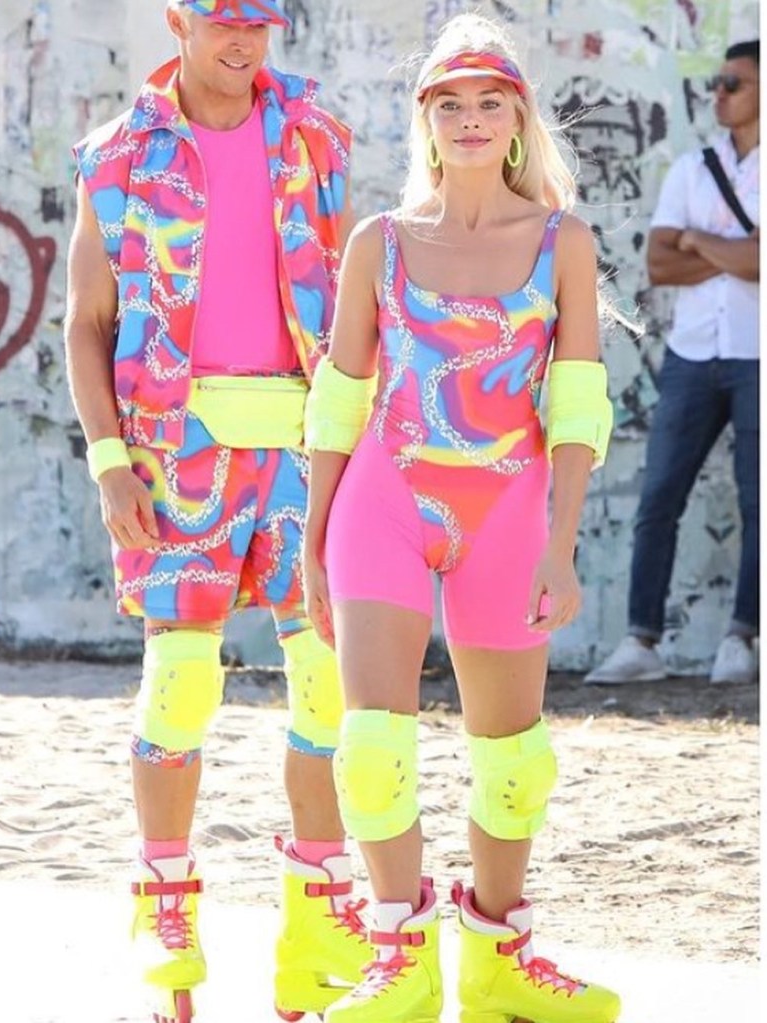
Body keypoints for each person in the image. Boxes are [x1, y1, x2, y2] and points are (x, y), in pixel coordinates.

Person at [302, 12, 620, 1023]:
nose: (470, 119)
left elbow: (576, 402)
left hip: (509, 509)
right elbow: (340, 399)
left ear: (518, 119)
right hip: (383, 504)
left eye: (489, 102)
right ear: (425, 120)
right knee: (371, 746)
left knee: (514, 758)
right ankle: (400, 958)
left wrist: (561, 546)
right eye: (450, 104)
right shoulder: (379, 242)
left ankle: (496, 959)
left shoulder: (564, 242)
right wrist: (312, 542)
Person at [65, 3, 370, 1021]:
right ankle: (165, 911)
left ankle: (317, 922)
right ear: (178, 20)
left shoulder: (317, 139)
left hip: (300, 446)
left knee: (327, 679)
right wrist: (109, 461)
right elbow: (87, 322)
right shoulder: (118, 156)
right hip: (173, 450)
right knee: (181, 681)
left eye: (259, 21)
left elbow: (351, 305)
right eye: (221, 18)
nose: (242, 39)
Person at [586, 41, 759, 687]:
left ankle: (741, 637)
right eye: (717, 82)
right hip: (691, 354)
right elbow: (659, 263)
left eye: (733, 84)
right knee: (659, 497)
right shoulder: (693, 168)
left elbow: (758, 264)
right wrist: (731, 249)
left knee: (758, 501)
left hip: (756, 355)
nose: (718, 94)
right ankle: (641, 640)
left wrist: (697, 240)